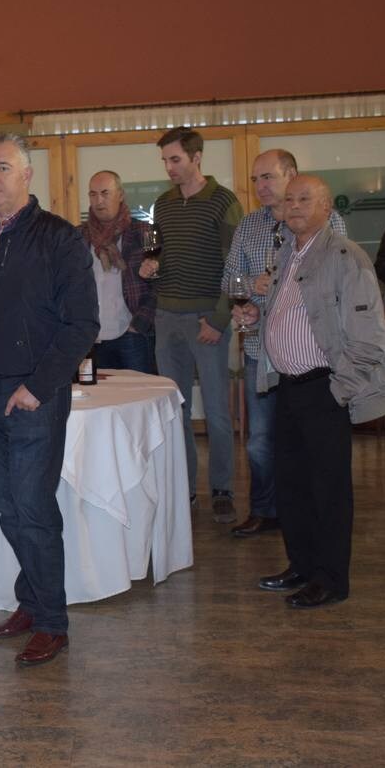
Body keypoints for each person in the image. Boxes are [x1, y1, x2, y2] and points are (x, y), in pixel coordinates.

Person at [0, 133, 98, 668]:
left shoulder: (59, 238)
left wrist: (39, 386)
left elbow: (82, 325)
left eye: (3, 168)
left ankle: (53, 622)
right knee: (8, 509)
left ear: (28, 176)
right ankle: (31, 603)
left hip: (33, 396)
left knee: (32, 510)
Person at [237, 176, 385, 608]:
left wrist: (338, 390)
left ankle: (331, 578)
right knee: (292, 486)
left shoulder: (346, 257)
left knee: (328, 490)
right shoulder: (287, 253)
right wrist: (256, 315)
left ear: (328, 208)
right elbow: (291, 311)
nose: (294, 205)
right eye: (290, 199)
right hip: (287, 387)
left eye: (305, 199)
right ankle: (302, 565)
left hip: (324, 388)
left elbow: (370, 337)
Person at [222, 150, 348, 538]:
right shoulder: (248, 226)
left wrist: (275, 292)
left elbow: (339, 282)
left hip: (311, 357)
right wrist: (249, 290)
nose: (261, 187)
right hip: (262, 351)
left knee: (308, 443)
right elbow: (229, 282)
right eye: (256, 179)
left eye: (269, 177)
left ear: (292, 175)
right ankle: (266, 509)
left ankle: (309, 513)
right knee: (260, 442)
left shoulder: (327, 223)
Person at [146, 126, 243, 523]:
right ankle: (183, 490)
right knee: (176, 411)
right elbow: (165, 254)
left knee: (217, 412)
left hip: (207, 319)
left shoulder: (224, 202)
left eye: (176, 159)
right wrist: (154, 265)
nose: (169, 167)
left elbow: (234, 266)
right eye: (166, 160)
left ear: (196, 157)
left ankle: (222, 489)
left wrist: (219, 319)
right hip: (166, 317)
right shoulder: (163, 204)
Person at [80, 170, 156, 373]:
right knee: (100, 400)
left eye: (105, 193)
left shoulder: (146, 232)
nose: (99, 200)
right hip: (91, 338)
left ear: (121, 195)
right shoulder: (77, 236)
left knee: (141, 397)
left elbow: (160, 284)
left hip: (133, 333)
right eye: (93, 194)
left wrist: (140, 323)